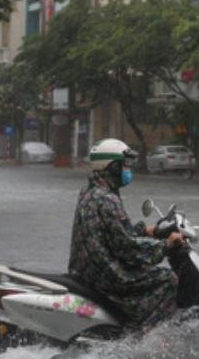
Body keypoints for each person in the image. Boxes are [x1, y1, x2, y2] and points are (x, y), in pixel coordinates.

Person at [68, 138, 185, 329]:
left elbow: (114, 233)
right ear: (111, 166)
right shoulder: (107, 200)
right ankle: (144, 337)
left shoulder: (90, 191)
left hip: (89, 271)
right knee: (169, 280)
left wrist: (147, 230)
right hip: (109, 276)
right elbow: (127, 248)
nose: (128, 170)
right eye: (125, 165)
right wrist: (167, 245)